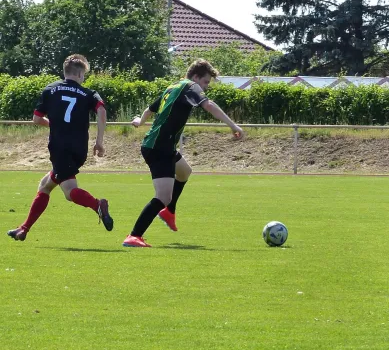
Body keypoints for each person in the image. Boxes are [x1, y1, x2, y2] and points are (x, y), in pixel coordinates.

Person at [123, 59, 244, 248]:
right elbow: (209, 105)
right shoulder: (190, 87)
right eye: (205, 82)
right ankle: (134, 235)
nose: (205, 87)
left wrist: (140, 122)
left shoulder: (173, 87)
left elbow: (150, 109)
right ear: (196, 77)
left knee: (184, 171)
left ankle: (169, 212)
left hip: (162, 146)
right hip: (158, 147)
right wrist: (233, 125)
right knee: (163, 196)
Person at [7, 54, 114, 241]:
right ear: (80, 75)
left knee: (70, 193)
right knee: (45, 185)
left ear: (65, 72)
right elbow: (102, 111)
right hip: (79, 150)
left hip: (59, 148)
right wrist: (99, 141)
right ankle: (23, 229)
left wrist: (54, 124)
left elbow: (37, 119)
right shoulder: (89, 93)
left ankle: (98, 205)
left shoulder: (50, 90)